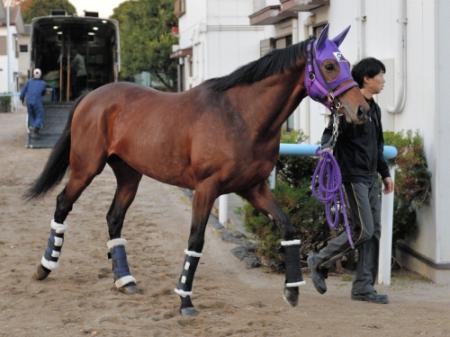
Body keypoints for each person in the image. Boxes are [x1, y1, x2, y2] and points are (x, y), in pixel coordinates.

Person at [308, 57, 395, 304]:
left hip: (370, 176)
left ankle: (363, 287)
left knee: (374, 232)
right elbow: (329, 134)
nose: (383, 81)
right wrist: (325, 148)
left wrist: (385, 173)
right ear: (367, 78)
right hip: (353, 176)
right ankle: (320, 259)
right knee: (364, 230)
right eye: (381, 75)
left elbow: (377, 145)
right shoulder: (345, 105)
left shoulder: (374, 109)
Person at [20, 68, 48, 138]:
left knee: (31, 115)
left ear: (33, 74)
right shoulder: (43, 83)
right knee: (40, 115)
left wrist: (22, 99)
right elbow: (44, 92)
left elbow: (22, 92)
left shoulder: (28, 82)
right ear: (41, 75)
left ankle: (33, 129)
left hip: (28, 101)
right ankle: (35, 130)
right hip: (37, 101)